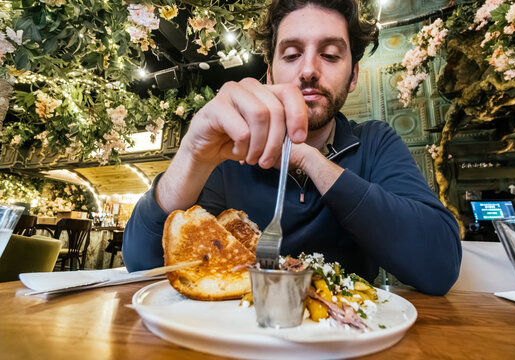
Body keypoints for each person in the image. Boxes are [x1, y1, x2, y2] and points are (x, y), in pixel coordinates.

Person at [123, 0, 462, 295]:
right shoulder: (230, 151)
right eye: (291, 54)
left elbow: (439, 266)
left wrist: (309, 159)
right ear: (269, 73)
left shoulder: (376, 142)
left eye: (330, 55)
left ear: (353, 75)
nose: (309, 70)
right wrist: (192, 156)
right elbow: (143, 264)